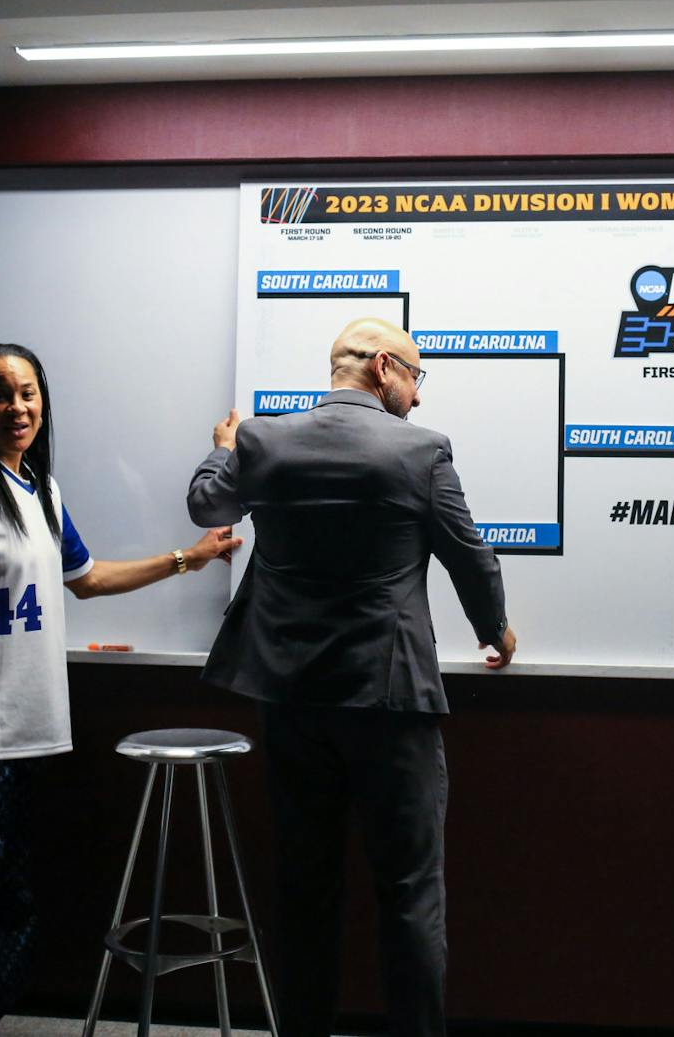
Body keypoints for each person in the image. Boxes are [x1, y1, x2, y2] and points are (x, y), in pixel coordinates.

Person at [0, 342, 240, 1037]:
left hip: (31, 733)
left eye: (28, 393)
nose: (17, 407)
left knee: (12, 908)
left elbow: (88, 577)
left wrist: (186, 559)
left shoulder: (40, 487)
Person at [186, 317, 516, 1037]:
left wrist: (219, 450)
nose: (419, 399)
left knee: (304, 891)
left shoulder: (262, 440)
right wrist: (497, 631)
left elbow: (208, 505)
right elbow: (471, 557)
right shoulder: (421, 450)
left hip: (293, 701)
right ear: (384, 368)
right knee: (409, 896)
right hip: (391, 701)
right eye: (416, 378)